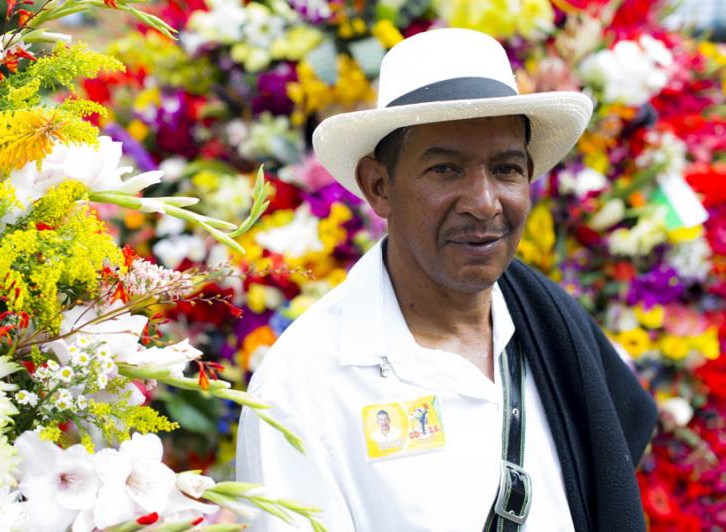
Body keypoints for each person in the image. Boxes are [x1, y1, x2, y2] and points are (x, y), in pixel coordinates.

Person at [237, 28, 657, 532]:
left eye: (506, 169)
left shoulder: (553, 334)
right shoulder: (304, 384)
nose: (484, 202)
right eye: (445, 170)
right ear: (379, 186)